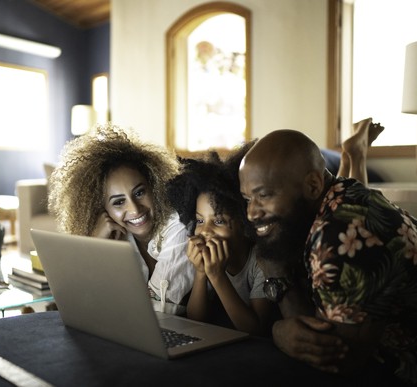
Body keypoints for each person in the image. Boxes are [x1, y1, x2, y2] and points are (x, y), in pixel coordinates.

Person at [238, 128, 417, 385]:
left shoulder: (345, 237)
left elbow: (338, 359)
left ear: (313, 184)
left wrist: (278, 312)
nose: (251, 213)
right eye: (247, 198)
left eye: (263, 195)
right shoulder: (342, 194)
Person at [48, 124, 195, 315]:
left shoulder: (178, 225)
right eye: (118, 202)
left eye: (140, 192)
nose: (134, 209)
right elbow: (76, 302)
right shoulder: (117, 236)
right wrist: (94, 243)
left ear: (154, 187)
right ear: (102, 209)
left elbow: (160, 312)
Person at [166, 145, 276, 336]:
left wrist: (217, 276)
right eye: (200, 220)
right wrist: (201, 273)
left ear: (244, 222)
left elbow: (256, 329)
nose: (206, 231)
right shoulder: (208, 258)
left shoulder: (261, 261)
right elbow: (196, 322)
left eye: (218, 221)